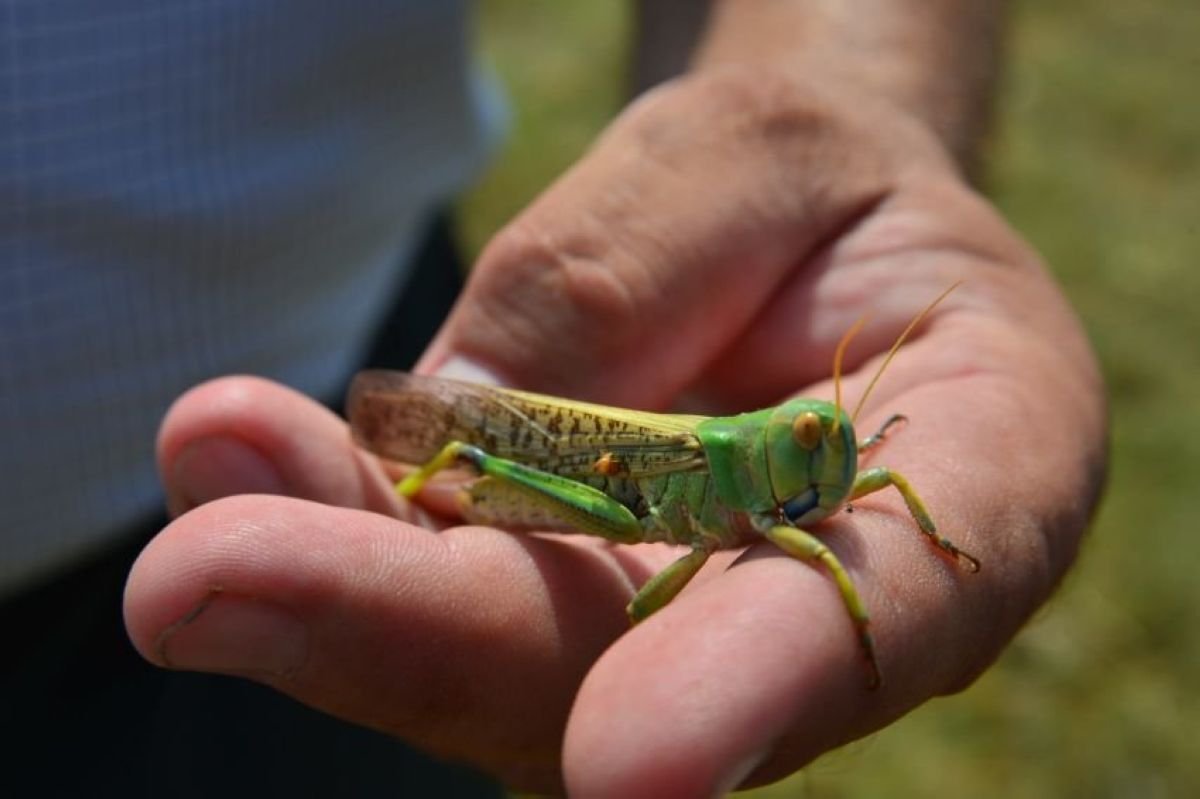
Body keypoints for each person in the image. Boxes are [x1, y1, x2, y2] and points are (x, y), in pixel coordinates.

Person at [10, 2, 1107, 797]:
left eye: (826, 438)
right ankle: (413, 489)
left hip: (350, 308)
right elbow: (651, 569)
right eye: (814, 436)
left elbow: (877, 492)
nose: (832, 453)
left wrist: (853, 101)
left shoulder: (820, 479)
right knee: (483, 458)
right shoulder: (740, 485)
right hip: (584, 475)